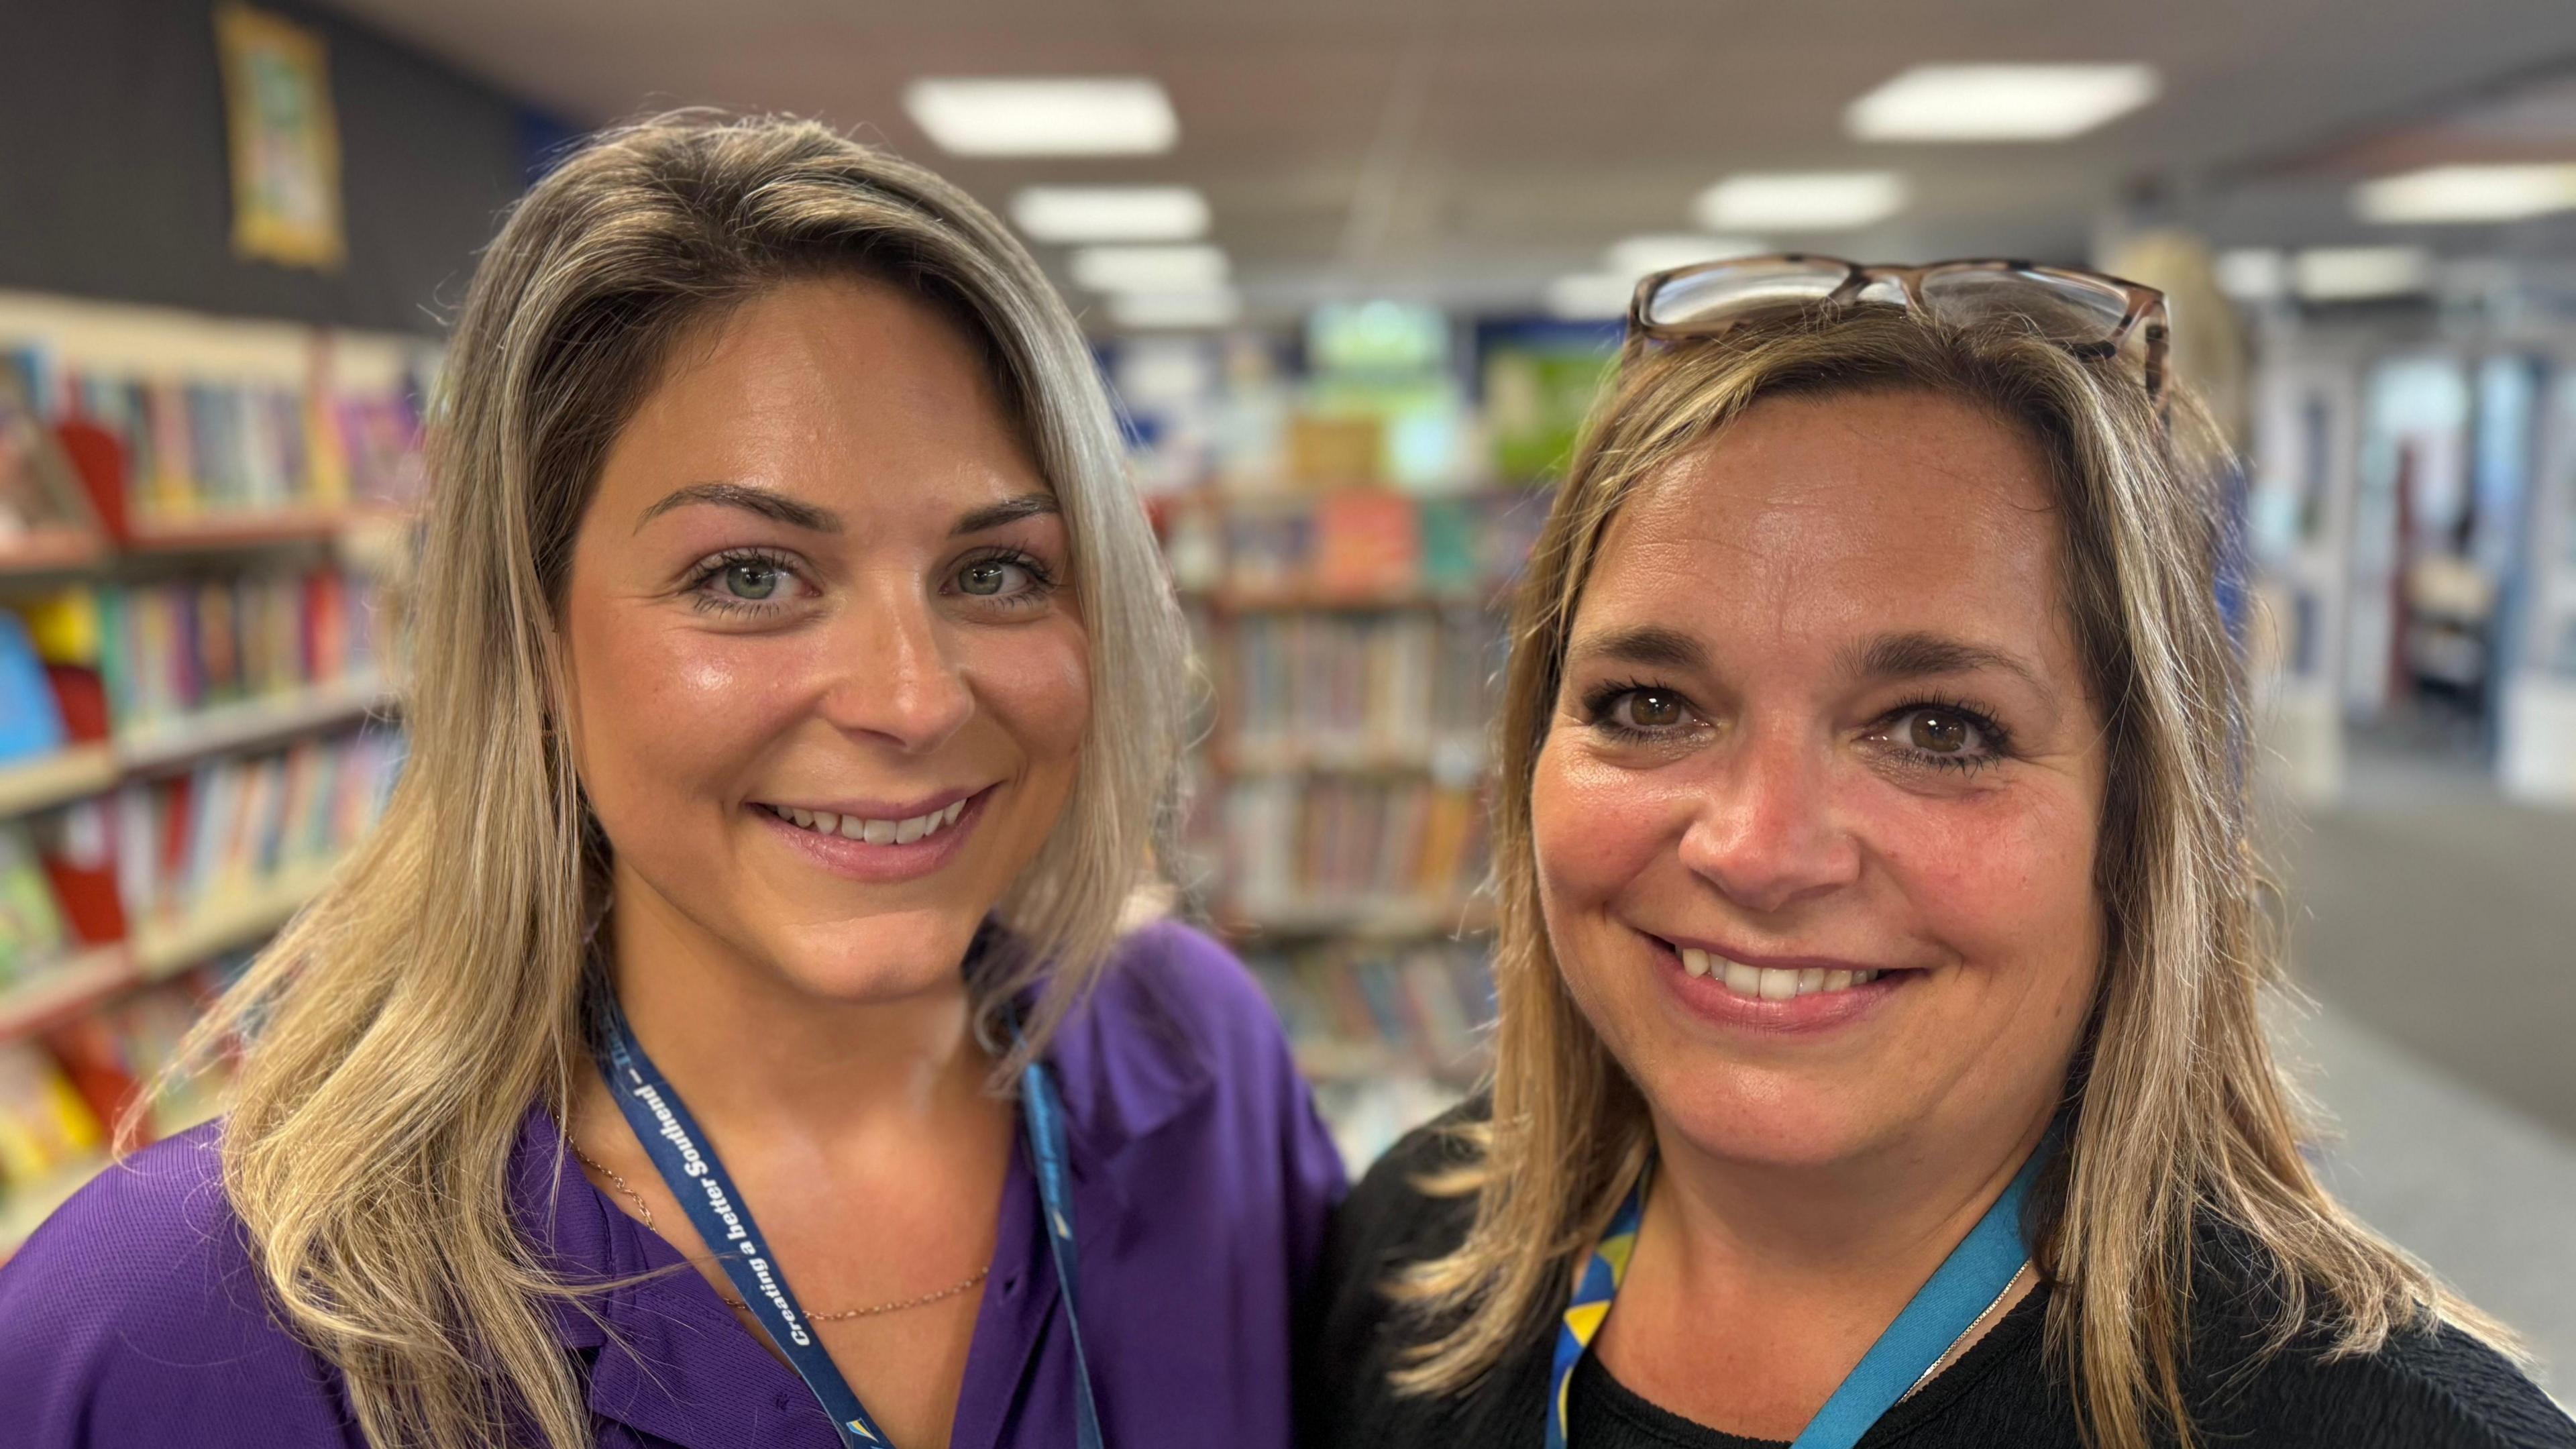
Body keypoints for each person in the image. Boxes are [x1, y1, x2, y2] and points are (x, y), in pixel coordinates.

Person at [0, 113, 1344, 1449]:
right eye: (748, 576)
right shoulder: (175, 1338)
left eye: (997, 572)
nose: (914, 698)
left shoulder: (1196, 1065)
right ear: (531, 643)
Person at [1301, 257, 2576, 1449]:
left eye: (1938, 729)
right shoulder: (1402, 1266)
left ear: (2136, 821)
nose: (1759, 849)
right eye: (1649, 705)